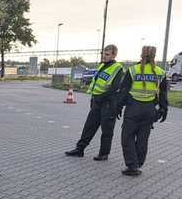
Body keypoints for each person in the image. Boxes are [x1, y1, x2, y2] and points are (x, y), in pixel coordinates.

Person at [65, 45, 123, 160]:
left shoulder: (118, 68)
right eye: (103, 54)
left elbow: (115, 86)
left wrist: (101, 97)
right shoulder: (102, 66)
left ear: (114, 55)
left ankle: (103, 154)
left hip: (108, 103)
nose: (104, 56)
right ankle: (79, 149)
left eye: (107, 55)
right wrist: (95, 98)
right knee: (89, 126)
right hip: (97, 101)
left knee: (106, 130)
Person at [117, 46, 168, 176]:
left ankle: (132, 166)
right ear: (154, 56)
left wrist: (118, 107)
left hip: (134, 107)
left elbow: (123, 91)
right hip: (150, 109)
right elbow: (163, 93)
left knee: (127, 137)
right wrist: (163, 108)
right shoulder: (160, 71)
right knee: (143, 138)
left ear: (141, 54)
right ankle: (138, 163)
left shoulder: (133, 70)